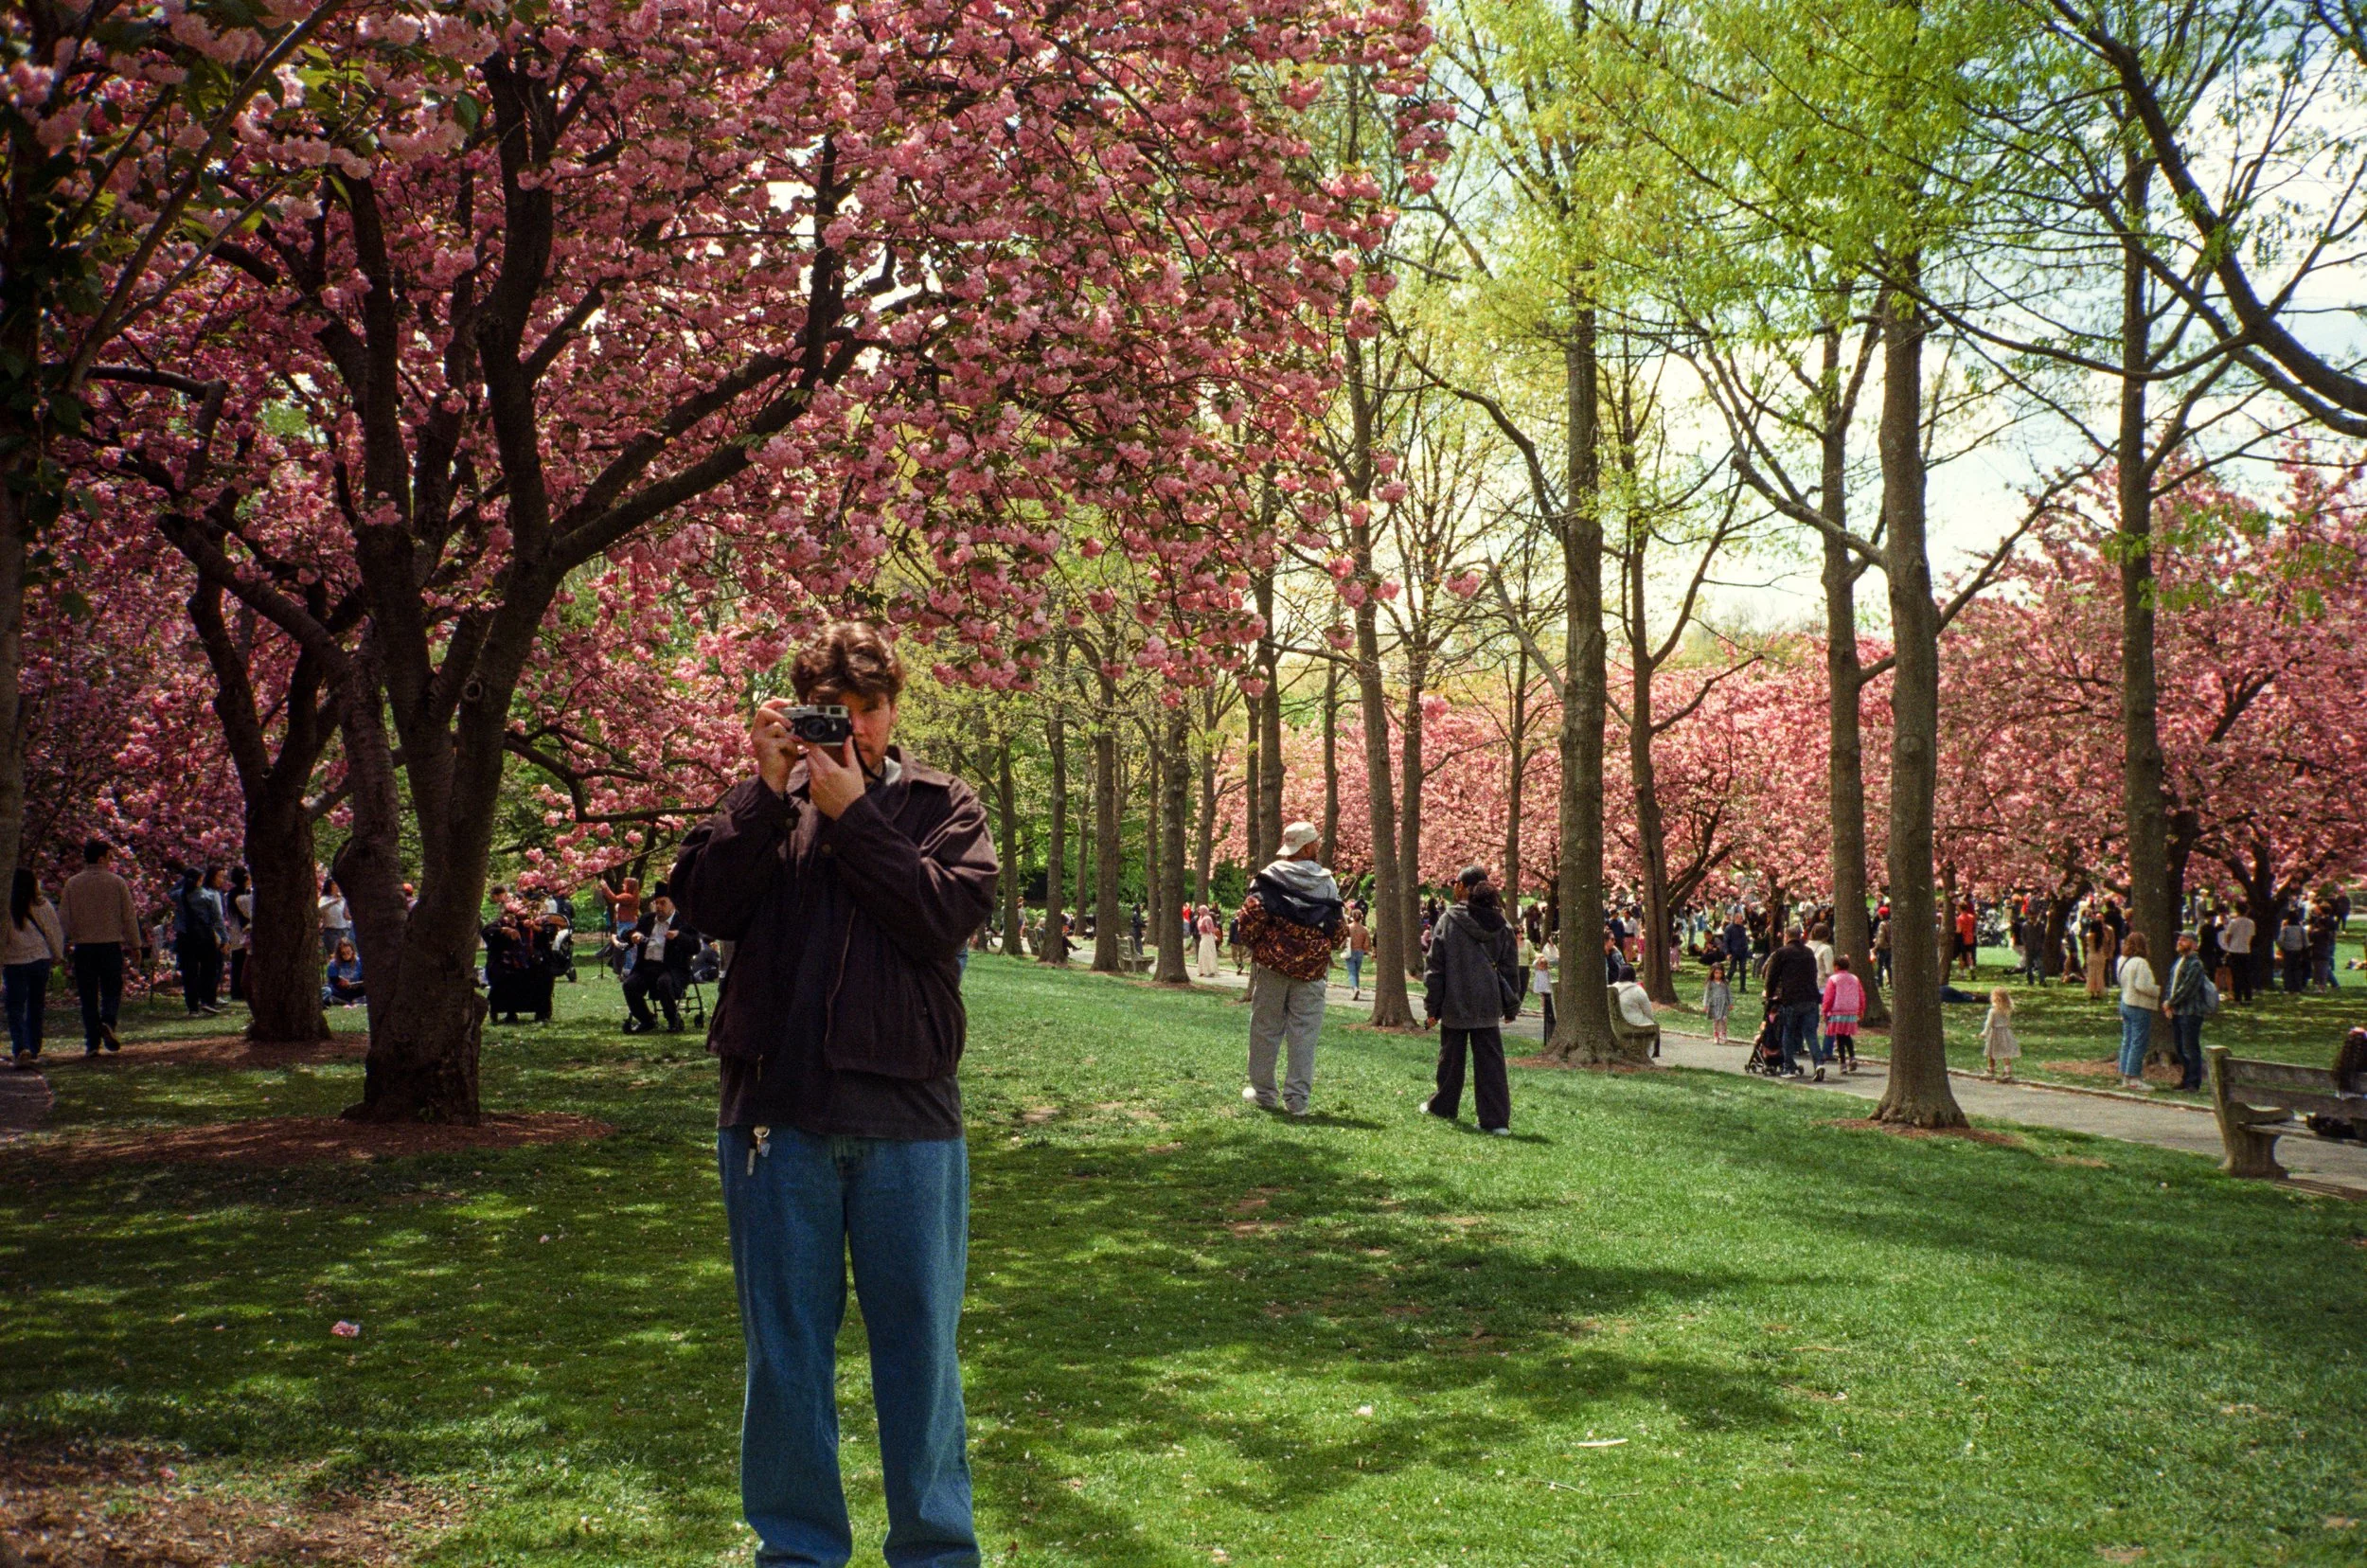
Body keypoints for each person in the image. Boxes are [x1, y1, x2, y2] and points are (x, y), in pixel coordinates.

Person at [668, 621, 995, 1568]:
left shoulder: (942, 804)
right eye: (827, 718)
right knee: (786, 1357)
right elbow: (701, 906)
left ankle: (935, 1553)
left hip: (908, 1125)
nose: (848, 735)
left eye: (865, 715)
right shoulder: (763, 810)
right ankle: (797, 1552)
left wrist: (856, 818)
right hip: (778, 1119)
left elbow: (941, 915)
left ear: (894, 712)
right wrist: (766, 792)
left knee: (921, 1355)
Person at [1236, 821, 1345, 1117]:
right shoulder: (1327, 883)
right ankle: (1297, 1102)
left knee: (1265, 1029)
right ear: (1309, 847)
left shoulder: (1270, 877)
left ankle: (1263, 1093)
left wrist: (1261, 946)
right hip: (1311, 972)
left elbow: (1248, 922)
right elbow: (1337, 933)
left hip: (1272, 967)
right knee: (1304, 1035)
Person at [1422, 867, 1522, 1135]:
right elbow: (1510, 967)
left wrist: (1433, 1006)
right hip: (1488, 1000)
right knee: (1491, 1063)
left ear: (1463, 887)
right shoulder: (1501, 924)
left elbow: (1435, 968)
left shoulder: (1448, 920)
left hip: (1455, 998)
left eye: (1456, 883)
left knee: (1451, 1060)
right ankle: (1496, 1121)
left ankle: (1443, 1106)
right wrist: (1512, 1005)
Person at [62, 840, 138, 1057]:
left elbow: (64, 920)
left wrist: (61, 945)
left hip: (83, 947)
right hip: (110, 945)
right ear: (101, 859)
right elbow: (129, 916)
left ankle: (92, 1043)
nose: (112, 862)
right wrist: (136, 944)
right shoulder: (116, 883)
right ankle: (108, 1022)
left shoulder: (72, 884)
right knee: (112, 990)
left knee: (88, 996)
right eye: (110, 857)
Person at [5, 870, 64, 1069]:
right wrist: (58, 955)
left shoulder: (6, 908)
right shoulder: (42, 906)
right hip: (39, 959)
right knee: (35, 1006)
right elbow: (53, 931)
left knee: (15, 1006)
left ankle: (20, 1047)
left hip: (14, 961)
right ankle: (34, 1047)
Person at [622, 890, 698, 1033]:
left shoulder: (683, 921)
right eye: (656, 903)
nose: (659, 907)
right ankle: (647, 1020)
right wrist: (634, 935)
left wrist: (679, 936)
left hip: (672, 969)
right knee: (629, 985)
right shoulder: (647, 920)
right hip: (646, 967)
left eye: (663, 903)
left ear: (673, 905)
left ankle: (673, 1019)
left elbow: (696, 947)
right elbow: (627, 934)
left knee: (664, 982)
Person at [1763, 928, 1820, 1078]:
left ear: (1786, 936)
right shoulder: (1808, 952)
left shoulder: (1782, 953)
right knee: (1810, 1034)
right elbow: (1814, 973)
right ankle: (1818, 1063)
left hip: (1792, 998)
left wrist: (1769, 994)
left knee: (1788, 1031)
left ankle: (1788, 1067)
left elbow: (1772, 977)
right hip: (1811, 997)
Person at [170, 865, 226, 1016]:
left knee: (189, 972)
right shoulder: (207, 896)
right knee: (209, 969)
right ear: (200, 880)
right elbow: (217, 919)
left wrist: (184, 880)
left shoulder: (179, 895)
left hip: (185, 937)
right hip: (205, 936)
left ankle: (192, 1007)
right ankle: (207, 1000)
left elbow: (170, 892)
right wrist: (224, 939)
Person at [2162, 932, 2210, 1092]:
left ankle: (2193, 1082)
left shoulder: (2195, 964)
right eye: (2179, 939)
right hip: (2177, 1011)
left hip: (2190, 1012)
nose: (2180, 941)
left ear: (2195, 944)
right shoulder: (2179, 961)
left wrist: (2171, 1001)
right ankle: (2186, 1077)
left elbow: (2187, 989)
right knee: (2180, 1047)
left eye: (2185, 939)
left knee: (2190, 1048)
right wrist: (2168, 1003)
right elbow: (2172, 984)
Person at [2117, 930, 2160, 1091]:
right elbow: (2143, 986)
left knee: (2127, 1040)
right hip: (2138, 1004)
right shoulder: (2140, 963)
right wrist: (2157, 990)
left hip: (2125, 1001)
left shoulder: (2122, 960)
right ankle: (2134, 1077)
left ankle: (2125, 1076)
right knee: (2138, 1042)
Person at [1818, 954, 1863, 1080]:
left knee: (1839, 1037)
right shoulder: (1855, 978)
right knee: (1846, 1035)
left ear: (1836, 966)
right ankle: (1852, 1057)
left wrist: (1825, 1010)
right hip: (1851, 1011)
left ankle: (1843, 1063)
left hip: (1837, 1011)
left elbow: (1828, 997)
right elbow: (1861, 994)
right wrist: (1861, 1009)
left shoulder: (1833, 979)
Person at [1981, 988, 2020, 1082]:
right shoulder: (2007, 1009)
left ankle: (1991, 1069)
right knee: (2005, 1052)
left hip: (1995, 1033)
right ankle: (2007, 1071)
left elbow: (1989, 1023)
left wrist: (1984, 1033)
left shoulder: (1993, 1011)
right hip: (2006, 1032)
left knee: (1991, 1052)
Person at [2221, 901, 2255, 1004]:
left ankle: (2237, 998)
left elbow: (2228, 937)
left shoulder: (2233, 922)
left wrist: (2228, 945)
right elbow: (2250, 937)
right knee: (2246, 975)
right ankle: (2248, 998)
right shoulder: (2251, 923)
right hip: (2245, 950)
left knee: (2236, 975)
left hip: (2234, 950)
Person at [322, 938, 365, 1007]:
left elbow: (363, 978)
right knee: (327, 990)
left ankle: (349, 1001)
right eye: (343, 953)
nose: (346, 955)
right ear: (339, 953)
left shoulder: (359, 962)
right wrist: (340, 982)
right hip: (339, 991)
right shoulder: (333, 964)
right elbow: (333, 981)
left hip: (355, 990)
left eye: (348, 952)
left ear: (352, 951)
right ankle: (346, 1001)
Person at [2278, 906, 2309, 993]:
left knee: (2288, 969)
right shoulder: (2301, 929)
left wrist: (2283, 946)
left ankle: (2288, 987)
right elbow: (2306, 941)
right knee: (2297, 970)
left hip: (2288, 951)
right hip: (2298, 951)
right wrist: (2305, 948)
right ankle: (2297, 987)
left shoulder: (2285, 929)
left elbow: (2280, 940)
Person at [1533, 937, 1559, 1038]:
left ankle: (1546, 1008)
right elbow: (1548, 958)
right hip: (1543, 977)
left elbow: (1555, 957)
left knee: (1546, 994)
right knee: (1543, 994)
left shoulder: (1554, 947)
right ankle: (1543, 1008)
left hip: (1548, 977)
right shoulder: (1546, 948)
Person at [317, 877, 349, 959]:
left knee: (346, 955)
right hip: (332, 931)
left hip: (344, 930)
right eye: (334, 884)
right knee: (335, 955)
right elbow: (320, 909)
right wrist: (333, 902)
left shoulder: (342, 899)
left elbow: (346, 914)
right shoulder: (324, 899)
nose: (337, 886)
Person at [1703, 961, 1732, 1045]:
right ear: (1712, 973)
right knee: (1716, 1020)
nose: (1718, 975)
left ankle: (1723, 1034)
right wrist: (1705, 1005)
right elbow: (1707, 994)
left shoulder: (1725, 982)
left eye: (1720, 973)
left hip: (1724, 1004)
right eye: (1716, 973)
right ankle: (1716, 1035)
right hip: (1714, 1004)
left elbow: (1729, 993)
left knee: (1724, 1019)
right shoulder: (1710, 983)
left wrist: (1730, 1003)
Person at [1345, 909, 1370, 1000]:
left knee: (1351, 972)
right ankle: (1356, 990)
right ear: (1361, 917)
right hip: (1360, 951)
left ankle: (1354, 989)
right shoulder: (1364, 929)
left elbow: (1344, 939)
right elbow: (1367, 944)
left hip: (1350, 951)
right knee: (1356, 972)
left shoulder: (1348, 927)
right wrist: (1366, 950)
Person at [1194, 904, 1220, 979]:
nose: (1199, 911)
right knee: (1202, 953)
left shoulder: (1207, 918)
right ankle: (1202, 970)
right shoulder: (1201, 918)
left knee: (1207, 953)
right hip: (1203, 937)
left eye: (1200, 910)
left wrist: (1212, 932)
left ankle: (1209, 970)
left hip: (1208, 937)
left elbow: (1210, 929)